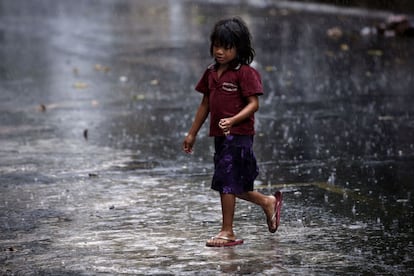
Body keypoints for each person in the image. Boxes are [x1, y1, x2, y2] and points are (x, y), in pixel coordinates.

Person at [182, 17, 282, 247]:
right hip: (220, 136)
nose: (219, 51)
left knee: (227, 180)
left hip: (239, 136)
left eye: (226, 47)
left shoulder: (244, 73)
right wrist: (192, 133)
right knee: (231, 183)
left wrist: (233, 120)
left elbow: (253, 104)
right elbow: (205, 104)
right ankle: (267, 202)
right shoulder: (210, 72)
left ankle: (227, 231)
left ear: (239, 48)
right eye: (216, 45)